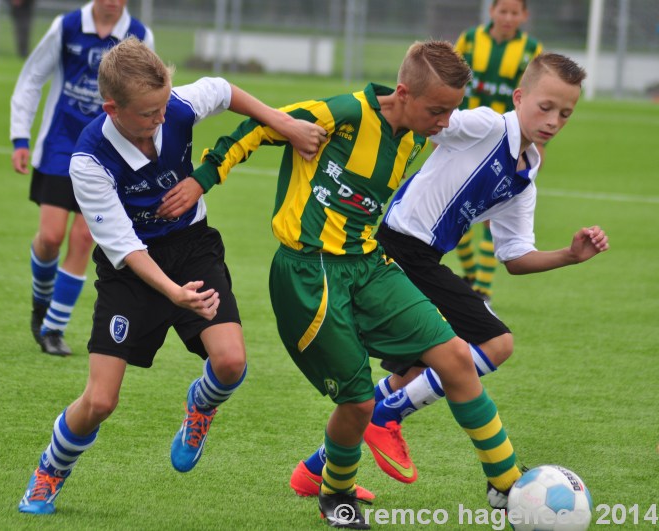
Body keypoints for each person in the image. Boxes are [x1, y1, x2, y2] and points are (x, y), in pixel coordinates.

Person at [187, 41, 523, 529]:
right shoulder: (343, 113)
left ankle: (507, 482)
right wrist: (203, 177)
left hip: (369, 263)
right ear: (403, 93)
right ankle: (336, 494)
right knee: (359, 401)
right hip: (308, 272)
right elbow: (261, 124)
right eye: (437, 110)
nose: (445, 122)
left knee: (453, 355)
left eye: (451, 110)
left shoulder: (410, 134)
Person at [17, 37, 327, 515]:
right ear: (111, 108)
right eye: (147, 113)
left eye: (163, 107)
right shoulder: (89, 160)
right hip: (133, 272)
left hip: (191, 247)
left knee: (231, 364)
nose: (160, 119)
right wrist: (173, 294)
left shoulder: (174, 106)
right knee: (100, 401)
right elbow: (124, 246)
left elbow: (223, 90)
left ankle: (200, 406)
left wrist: (284, 124)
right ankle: (49, 472)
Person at [354, 53, 604, 491]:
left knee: (411, 376)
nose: (553, 120)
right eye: (545, 107)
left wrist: (569, 254)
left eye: (565, 113)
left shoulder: (525, 177)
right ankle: (391, 419)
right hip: (398, 248)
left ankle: (316, 470)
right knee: (497, 342)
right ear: (520, 97)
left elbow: (515, 256)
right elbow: (430, 119)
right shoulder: (487, 126)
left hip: (424, 260)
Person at [10, 0, 154, 357]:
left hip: (106, 150)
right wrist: (20, 137)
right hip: (60, 146)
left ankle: (53, 328)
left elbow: (149, 96)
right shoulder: (67, 26)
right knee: (50, 237)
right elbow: (31, 78)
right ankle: (41, 300)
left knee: (84, 236)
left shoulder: (139, 35)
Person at [453, 0, 543, 301]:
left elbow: (538, 96)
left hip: (507, 143)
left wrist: (535, 144)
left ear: (524, 16)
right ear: (491, 12)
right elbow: (449, 78)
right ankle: (469, 276)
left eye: (514, 12)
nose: (507, 17)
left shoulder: (532, 50)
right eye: (502, 11)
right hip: (466, 136)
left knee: (493, 217)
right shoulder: (469, 39)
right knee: (455, 206)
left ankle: (483, 290)